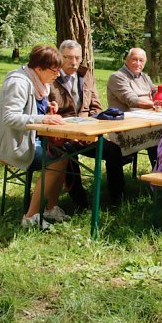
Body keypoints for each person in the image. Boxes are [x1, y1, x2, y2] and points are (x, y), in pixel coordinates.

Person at [0, 45, 71, 229]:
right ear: (39, 68)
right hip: (14, 144)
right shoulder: (18, 82)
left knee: (66, 156)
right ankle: (31, 216)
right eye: (54, 70)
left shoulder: (40, 83)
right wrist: (43, 118)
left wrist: (47, 108)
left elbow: (33, 108)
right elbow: (10, 117)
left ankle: (50, 208)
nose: (57, 75)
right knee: (57, 161)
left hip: (33, 140)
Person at [49, 40, 128, 207]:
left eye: (77, 58)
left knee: (114, 150)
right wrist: (71, 133)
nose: (74, 62)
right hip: (61, 134)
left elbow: (96, 107)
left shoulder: (85, 75)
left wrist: (90, 128)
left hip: (87, 131)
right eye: (69, 57)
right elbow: (47, 112)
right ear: (59, 57)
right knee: (68, 152)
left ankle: (116, 198)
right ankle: (80, 203)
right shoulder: (51, 77)